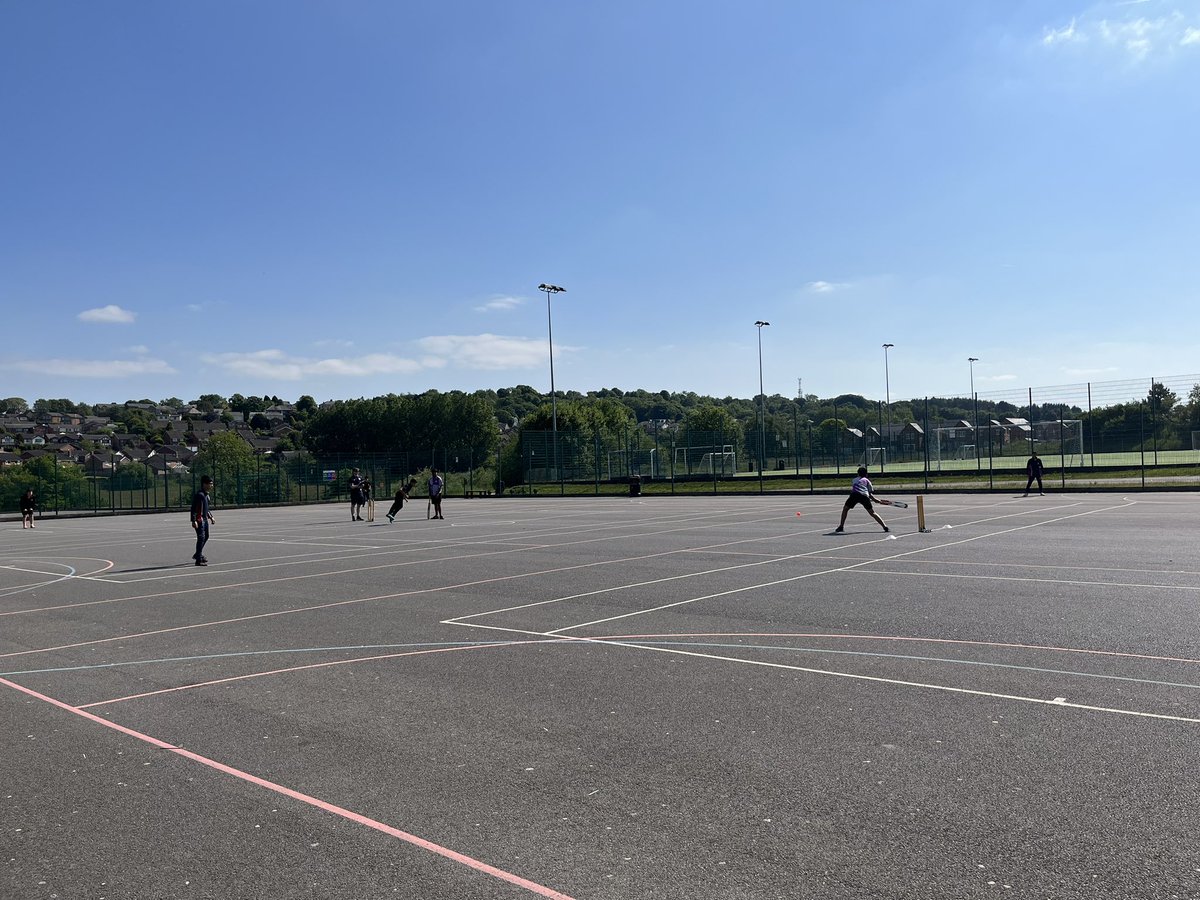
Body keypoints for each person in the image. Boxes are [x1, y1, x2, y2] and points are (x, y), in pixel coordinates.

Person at [835, 467, 889, 534]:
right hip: (864, 496)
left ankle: (841, 526)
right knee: (872, 513)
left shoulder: (854, 480)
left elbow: (856, 489)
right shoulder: (867, 481)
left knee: (845, 509)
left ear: (858, 473)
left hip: (854, 495)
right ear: (866, 474)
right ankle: (885, 527)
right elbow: (869, 493)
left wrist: (874, 499)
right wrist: (875, 500)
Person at [190, 476, 215, 566]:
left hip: (205, 519)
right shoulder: (199, 495)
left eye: (212, 483)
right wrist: (194, 520)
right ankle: (198, 559)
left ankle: (198, 554)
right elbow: (194, 509)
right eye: (210, 484)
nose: (211, 485)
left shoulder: (206, 495)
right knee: (201, 538)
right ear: (204, 484)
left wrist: (211, 517)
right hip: (199, 519)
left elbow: (206, 508)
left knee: (206, 536)